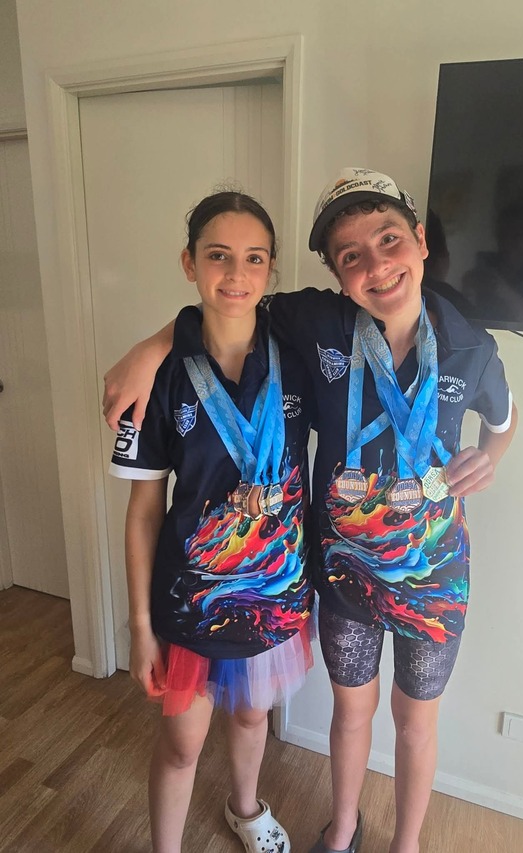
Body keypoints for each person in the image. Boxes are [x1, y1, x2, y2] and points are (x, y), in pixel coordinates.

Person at [104, 169, 518, 853]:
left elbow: (504, 419)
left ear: (420, 240)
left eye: (389, 240)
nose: (376, 265)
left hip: (399, 580)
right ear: (335, 273)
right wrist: (153, 347)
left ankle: (378, 837)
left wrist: (492, 456)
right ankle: (335, 829)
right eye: (351, 255)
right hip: (292, 585)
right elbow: (225, 310)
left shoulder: (461, 346)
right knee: (269, 728)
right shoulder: (305, 331)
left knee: (373, 722)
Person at [109, 191, 314, 853]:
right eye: (218, 255)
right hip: (190, 601)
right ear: (189, 262)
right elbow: (144, 511)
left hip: (273, 588)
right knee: (181, 743)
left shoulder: (299, 352)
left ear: (272, 268)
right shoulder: (158, 376)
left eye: (254, 258)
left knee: (254, 716)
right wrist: (140, 626)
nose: (236, 273)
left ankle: (246, 810)